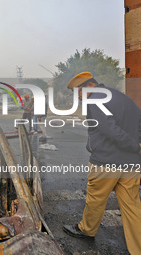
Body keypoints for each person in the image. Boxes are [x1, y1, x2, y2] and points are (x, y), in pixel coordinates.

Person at [62, 72, 141, 255]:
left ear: (88, 86)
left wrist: (133, 145)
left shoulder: (95, 100)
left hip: (106, 162)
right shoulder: (122, 97)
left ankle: (87, 230)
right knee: (132, 206)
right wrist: (136, 146)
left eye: (78, 93)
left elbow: (108, 129)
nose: (78, 98)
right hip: (131, 164)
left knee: (96, 199)